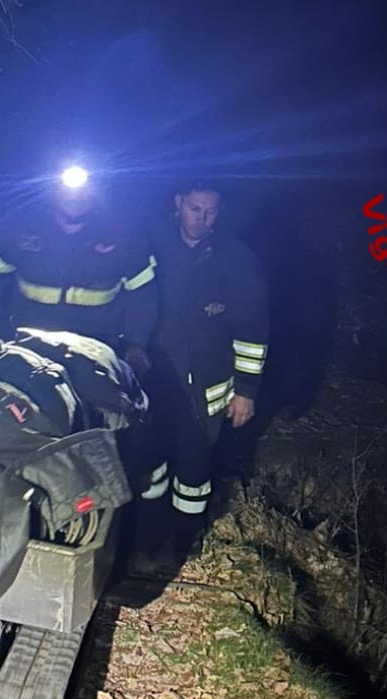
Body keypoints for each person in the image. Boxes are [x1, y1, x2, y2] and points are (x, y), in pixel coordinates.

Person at [138, 178, 270, 557]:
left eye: (210, 211)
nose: (202, 218)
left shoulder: (238, 260)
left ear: (220, 211)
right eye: (195, 208)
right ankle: (146, 536)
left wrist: (246, 390)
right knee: (149, 461)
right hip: (153, 380)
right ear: (178, 201)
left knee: (193, 469)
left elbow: (252, 331)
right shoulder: (149, 244)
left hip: (205, 389)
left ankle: (183, 541)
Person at [0, 165, 158, 375]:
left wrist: (136, 344)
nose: (75, 197)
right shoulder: (20, 226)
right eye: (68, 188)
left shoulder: (122, 234)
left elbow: (143, 294)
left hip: (97, 350)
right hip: (28, 347)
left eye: (84, 188)